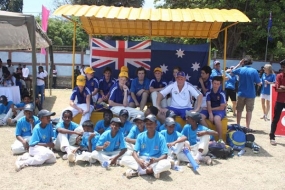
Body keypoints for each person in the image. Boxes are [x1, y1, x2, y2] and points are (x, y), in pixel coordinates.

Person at [120, 114, 171, 179]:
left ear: (156, 124)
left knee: (167, 164)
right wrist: (139, 161)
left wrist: (156, 160)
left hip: (154, 161)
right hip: (142, 160)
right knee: (124, 159)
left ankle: (142, 171)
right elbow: (134, 152)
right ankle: (152, 171)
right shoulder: (140, 136)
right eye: (147, 124)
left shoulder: (161, 137)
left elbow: (165, 155)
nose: (149, 126)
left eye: (151, 123)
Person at [231, 56, 262, 129]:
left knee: (239, 110)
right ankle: (247, 126)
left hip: (241, 93)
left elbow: (232, 71)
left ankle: (238, 125)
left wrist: (239, 64)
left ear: (243, 62)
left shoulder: (241, 69)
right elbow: (258, 83)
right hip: (251, 94)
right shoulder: (254, 71)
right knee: (249, 110)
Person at [200, 76, 226, 142]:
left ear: (220, 84)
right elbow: (208, 104)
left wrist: (211, 109)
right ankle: (210, 135)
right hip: (210, 109)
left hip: (219, 110)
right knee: (200, 117)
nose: (216, 85)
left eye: (217, 84)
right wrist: (210, 113)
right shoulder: (209, 92)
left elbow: (222, 107)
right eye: (214, 83)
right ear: (212, 83)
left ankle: (220, 139)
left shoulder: (222, 93)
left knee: (216, 119)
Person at [269, 60, 285, 145]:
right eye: (282, 67)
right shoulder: (279, 76)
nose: (283, 69)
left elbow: (280, 88)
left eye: (284, 67)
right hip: (280, 101)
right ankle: (272, 137)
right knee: (276, 119)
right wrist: (281, 88)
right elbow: (278, 89)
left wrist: (283, 87)